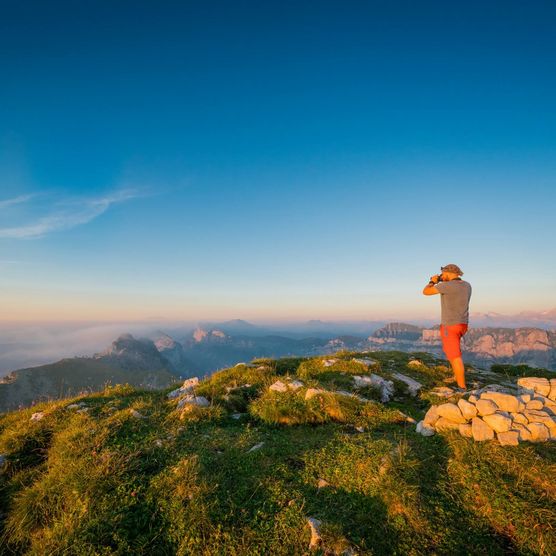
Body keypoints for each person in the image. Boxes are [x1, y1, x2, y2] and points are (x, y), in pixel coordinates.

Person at [422, 264, 472, 389]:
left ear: (448, 273)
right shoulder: (467, 285)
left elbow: (425, 292)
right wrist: (441, 280)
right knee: (453, 352)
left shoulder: (446, 286)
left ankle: (462, 387)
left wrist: (432, 281)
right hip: (463, 324)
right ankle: (457, 376)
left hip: (450, 326)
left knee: (455, 356)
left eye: (443, 274)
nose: (441, 276)